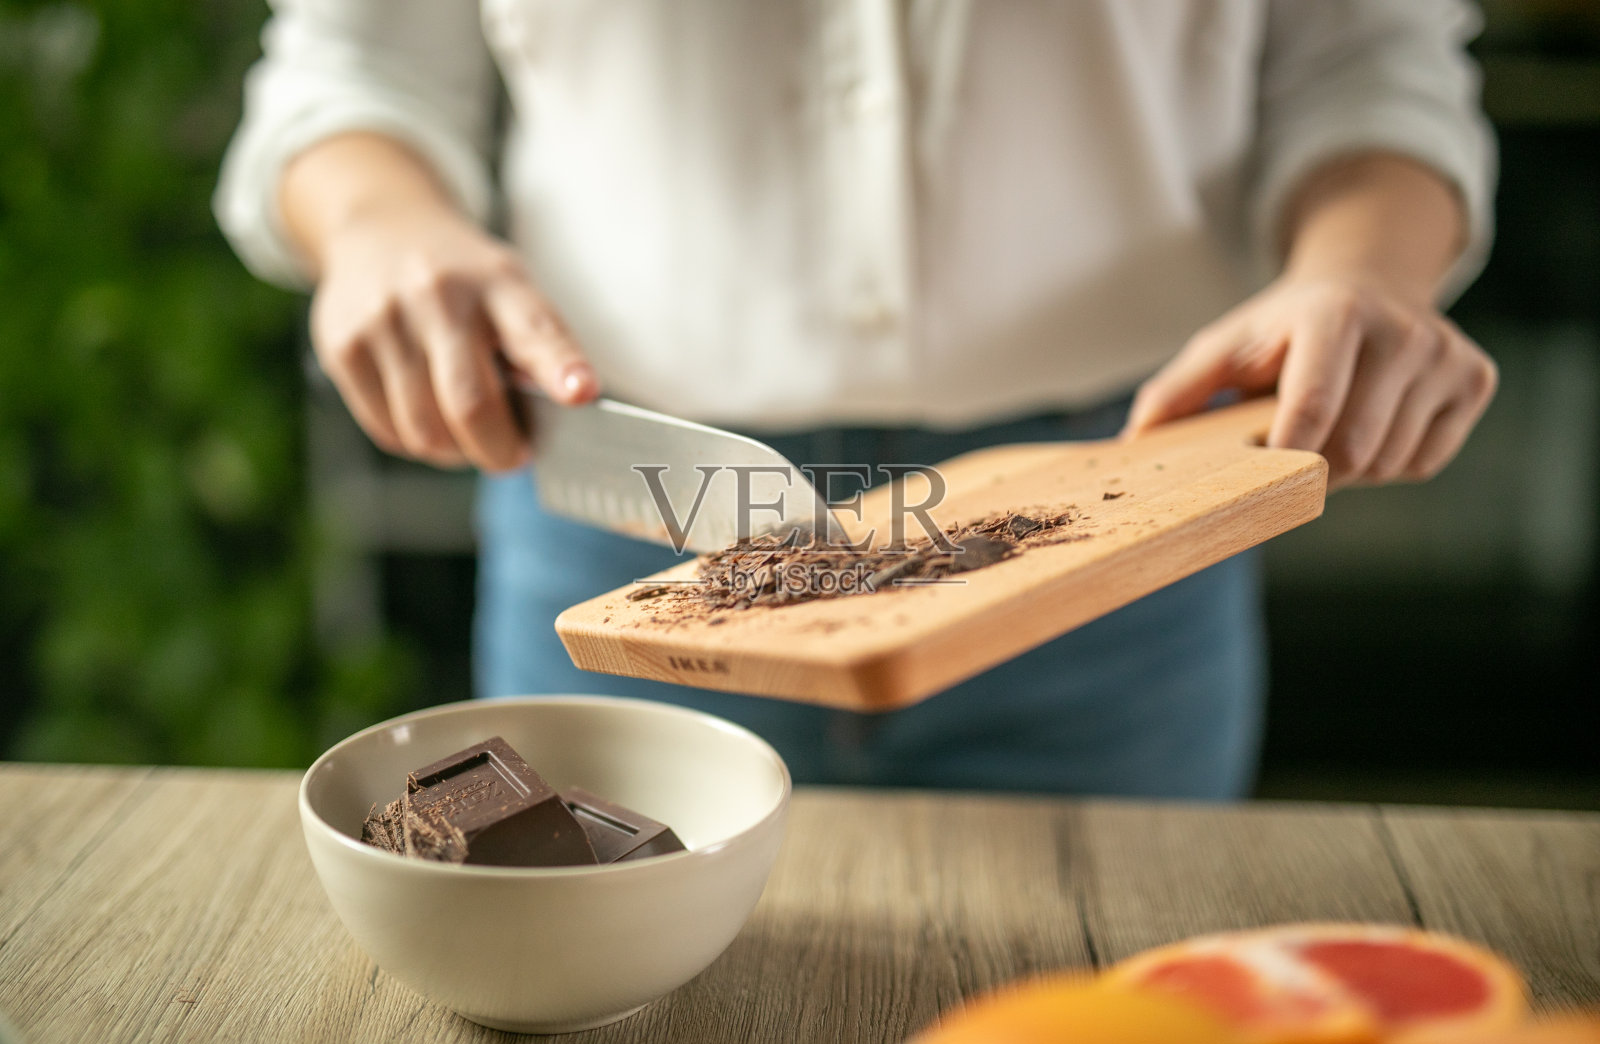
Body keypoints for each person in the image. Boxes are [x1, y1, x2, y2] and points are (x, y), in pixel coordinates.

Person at [217, 1, 1499, 799]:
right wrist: (379, 225)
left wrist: (1362, 267)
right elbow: (352, 70)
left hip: (1110, 542)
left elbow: (1368, 62)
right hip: (635, 518)